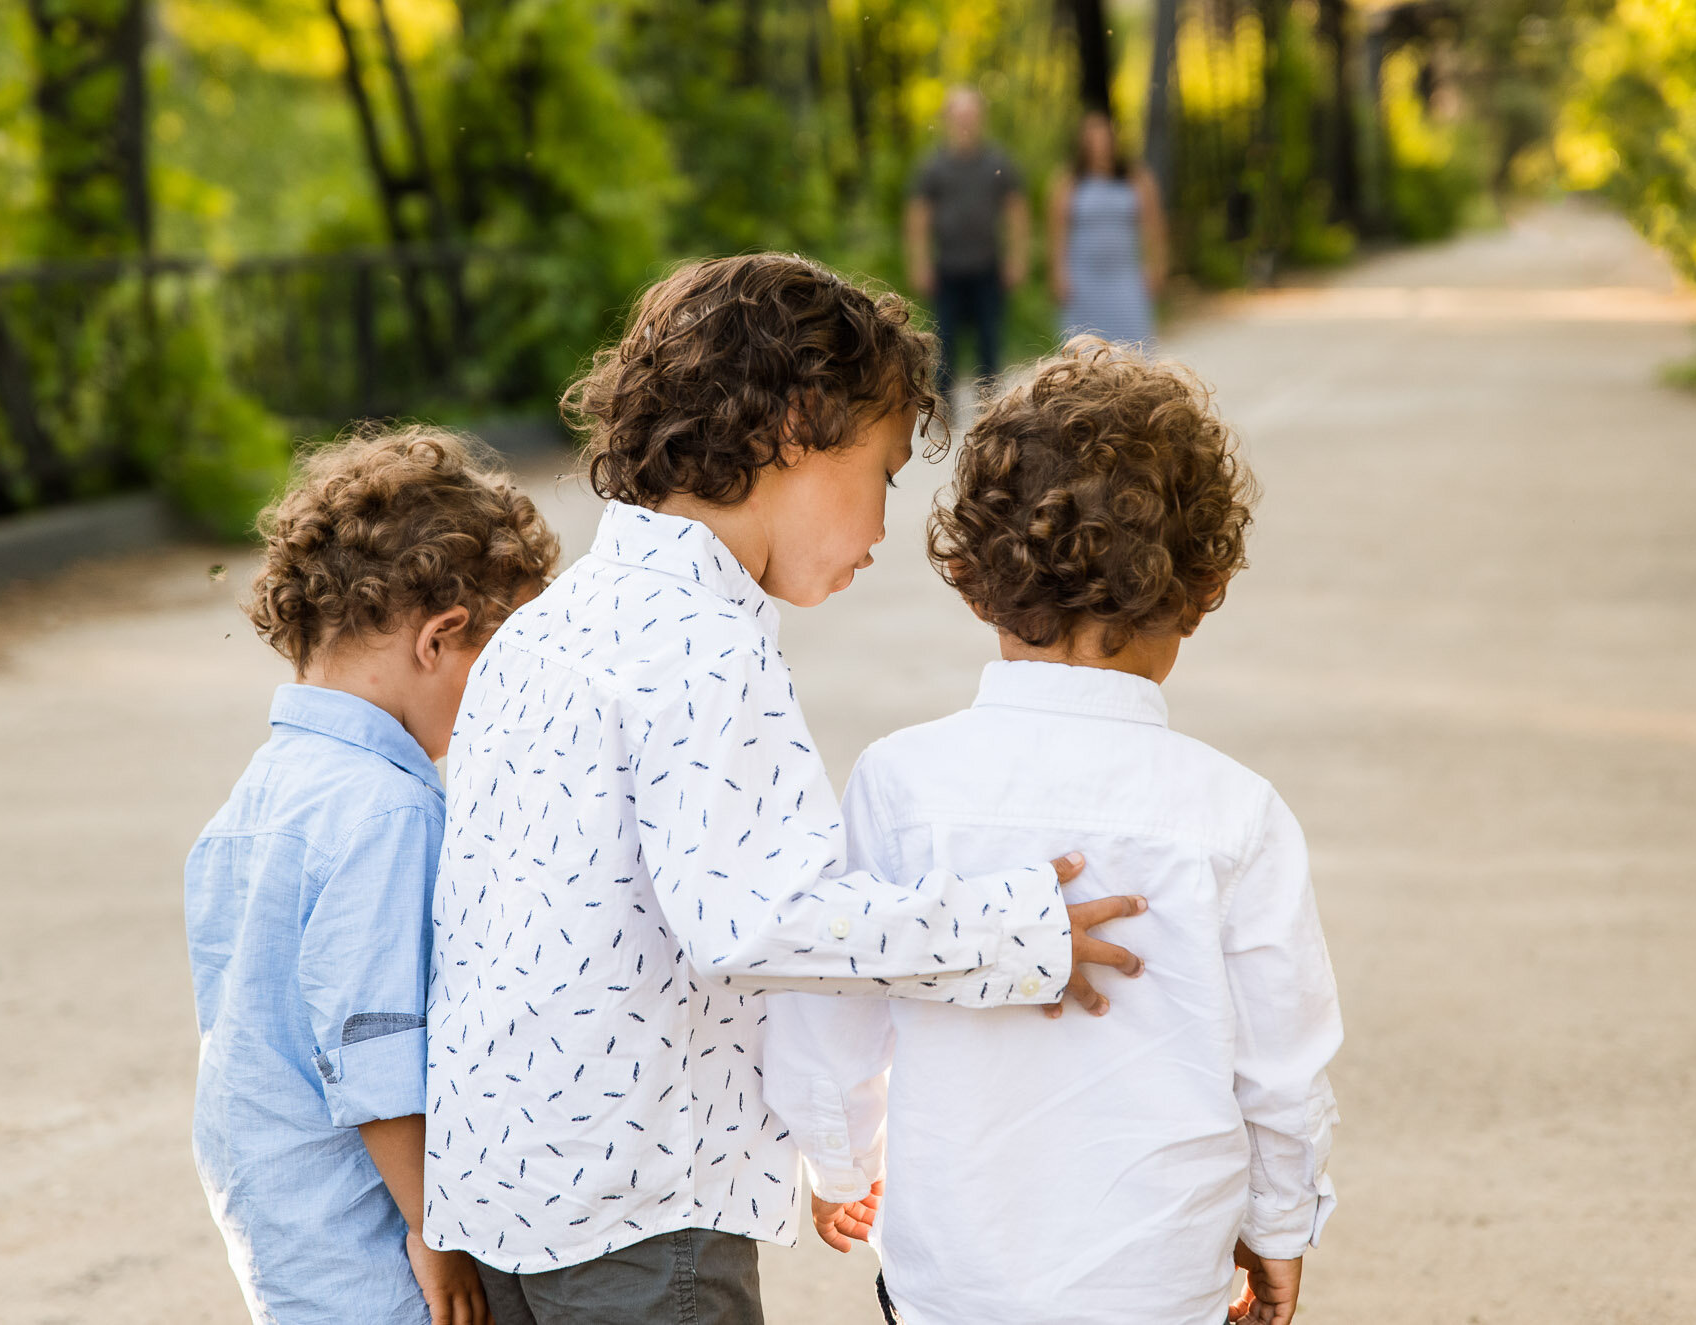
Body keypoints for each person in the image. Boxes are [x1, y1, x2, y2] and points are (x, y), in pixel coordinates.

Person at [422, 255, 1148, 1325]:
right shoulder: (706, 646)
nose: (883, 527)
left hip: (503, 1197)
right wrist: (1014, 928)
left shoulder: (543, 627)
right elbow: (764, 916)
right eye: (886, 471)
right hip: (643, 1209)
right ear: (797, 425)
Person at [763, 339, 1343, 1325]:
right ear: (1202, 589)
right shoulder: (1233, 815)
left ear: (974, 576)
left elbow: (830, 1013)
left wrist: (840, 1160)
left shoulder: (901, 785)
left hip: (955, 1276)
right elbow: (1280, 1070)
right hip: (1160, 1283)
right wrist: (1277, 1229)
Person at [185, 427, 560, 1325]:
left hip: (286, 1230)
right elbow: (375, 1048)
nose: (508, 702)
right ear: (441, 638)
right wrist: (439, 1230)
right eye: (501, 669)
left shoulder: (255, 799)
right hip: (376, 1241)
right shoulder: (387, 811)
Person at [905, 85, 1029, 397]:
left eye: (970, 115)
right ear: (947, 119)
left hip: (988, 266)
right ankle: (944, 409)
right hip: (947, 268)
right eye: (959, 115)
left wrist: (1017, 258)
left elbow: (1016, 212)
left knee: (990, 343)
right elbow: (918, 218)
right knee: (944, 343)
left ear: (980, 118)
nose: (965, 122)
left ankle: (989, 407)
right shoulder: (932, 165)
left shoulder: (997, 161)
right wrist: (919, 263)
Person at [1048, 111, 1169, 347]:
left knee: (1133, 345)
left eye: (1104, 138)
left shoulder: (1137, 178)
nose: (1099, 145)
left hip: (1124, 276)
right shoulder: (1068, 181)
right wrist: (1059, 272)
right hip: (1084, 278)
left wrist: (1156, 264)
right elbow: (1058, 231)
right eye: (1092, 139)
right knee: (1084, 349)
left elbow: (1153, 226)